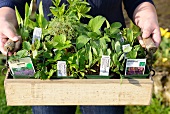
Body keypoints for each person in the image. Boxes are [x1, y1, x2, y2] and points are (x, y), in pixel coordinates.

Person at [0, 0, 161, 114]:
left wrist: (147, 14)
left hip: (107, 53)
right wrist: (5, 17)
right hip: (50, 49)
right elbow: (14, 1)